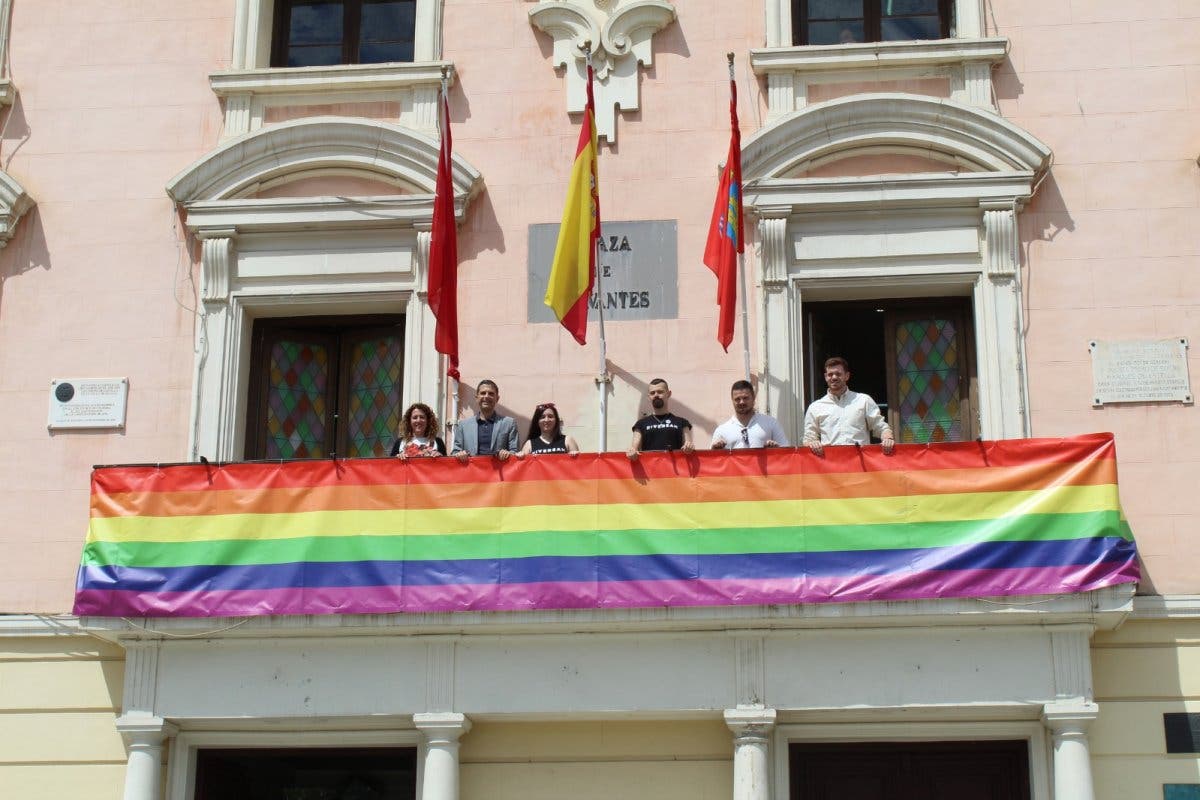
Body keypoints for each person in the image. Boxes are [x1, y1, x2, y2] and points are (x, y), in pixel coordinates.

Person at [802, 356, 895, 456]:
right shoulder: (815, 407)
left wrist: (887, 439)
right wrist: (812, 443)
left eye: (838, 374)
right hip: (830, 466)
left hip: (859, 466)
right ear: (825, 377)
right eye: (830, 374)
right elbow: (809, 438)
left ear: (847, 376)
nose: (834, 377)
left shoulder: (863, 401)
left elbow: (880, 426)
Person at [452, 379, 519, 463]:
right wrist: (459, 454)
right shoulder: (463, 425)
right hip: (472, 474)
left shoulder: (509, 423)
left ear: (497, 398)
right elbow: (455, 453)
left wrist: (508, 454)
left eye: (491, 394)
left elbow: (515, 452)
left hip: (498, 474)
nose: (486, 396)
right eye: (483, 393)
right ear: (477, 398)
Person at [627, 378, 694, 459]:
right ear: (649, 397)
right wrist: (632, 451)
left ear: (668, 394)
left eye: (660, 392)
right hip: (650, 470)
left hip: (676, 470)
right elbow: (634, 448)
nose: (656, 395)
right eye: (652, 393)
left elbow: (689, 445)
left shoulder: (682, 423)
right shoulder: (640, 424)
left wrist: (689, 447)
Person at [711, 380, 789, 450]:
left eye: (745, 398)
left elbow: (786, 454)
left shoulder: (771, 423)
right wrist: (715, 451)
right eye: (737, 399)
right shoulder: (722, 430)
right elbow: (713, 462)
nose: (742, 402)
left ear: (753, 398)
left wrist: (774, 451)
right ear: (732, 401)